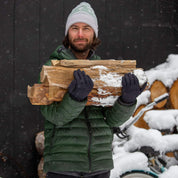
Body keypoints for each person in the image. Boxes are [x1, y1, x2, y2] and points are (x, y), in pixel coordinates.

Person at [40, 2, 146, 178]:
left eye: (86, 28)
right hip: (64, 166)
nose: (80, 34)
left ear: (94, 33)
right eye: (75, 28)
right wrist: (75, 98)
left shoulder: (104, 70)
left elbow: (111, 121)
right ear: (68, 32)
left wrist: (126, 101)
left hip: (100, 166)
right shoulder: (52, 68)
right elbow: (54, 117)